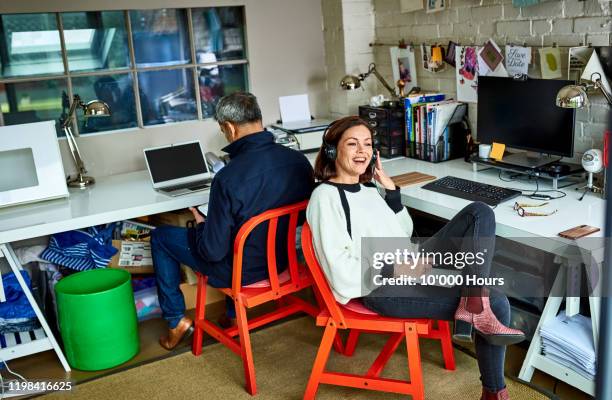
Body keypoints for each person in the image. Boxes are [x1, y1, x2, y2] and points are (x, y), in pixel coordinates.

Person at [306, 116, 525, 400]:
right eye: (352, 144)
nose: (362, 151)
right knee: (495, 301)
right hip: (379, 287)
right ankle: (495, 393)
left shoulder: (368, 188)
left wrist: (392, 194)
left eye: (368, 144)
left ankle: (472, 304)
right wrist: (396, 269)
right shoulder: (325, 198)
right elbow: (341, 273)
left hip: (410, 261)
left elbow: (403, 234)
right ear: (333, 150)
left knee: (480, 212)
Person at [151, 92, 314, 350]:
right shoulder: (299, 161)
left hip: (245, 273)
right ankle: (231, 316)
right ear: (259, 119)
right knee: (237, 233)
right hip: (289, 262)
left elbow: (211, 252)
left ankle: (175, 321)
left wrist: (204, 223)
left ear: (228, 127)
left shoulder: (227, 178)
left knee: (161, 237)